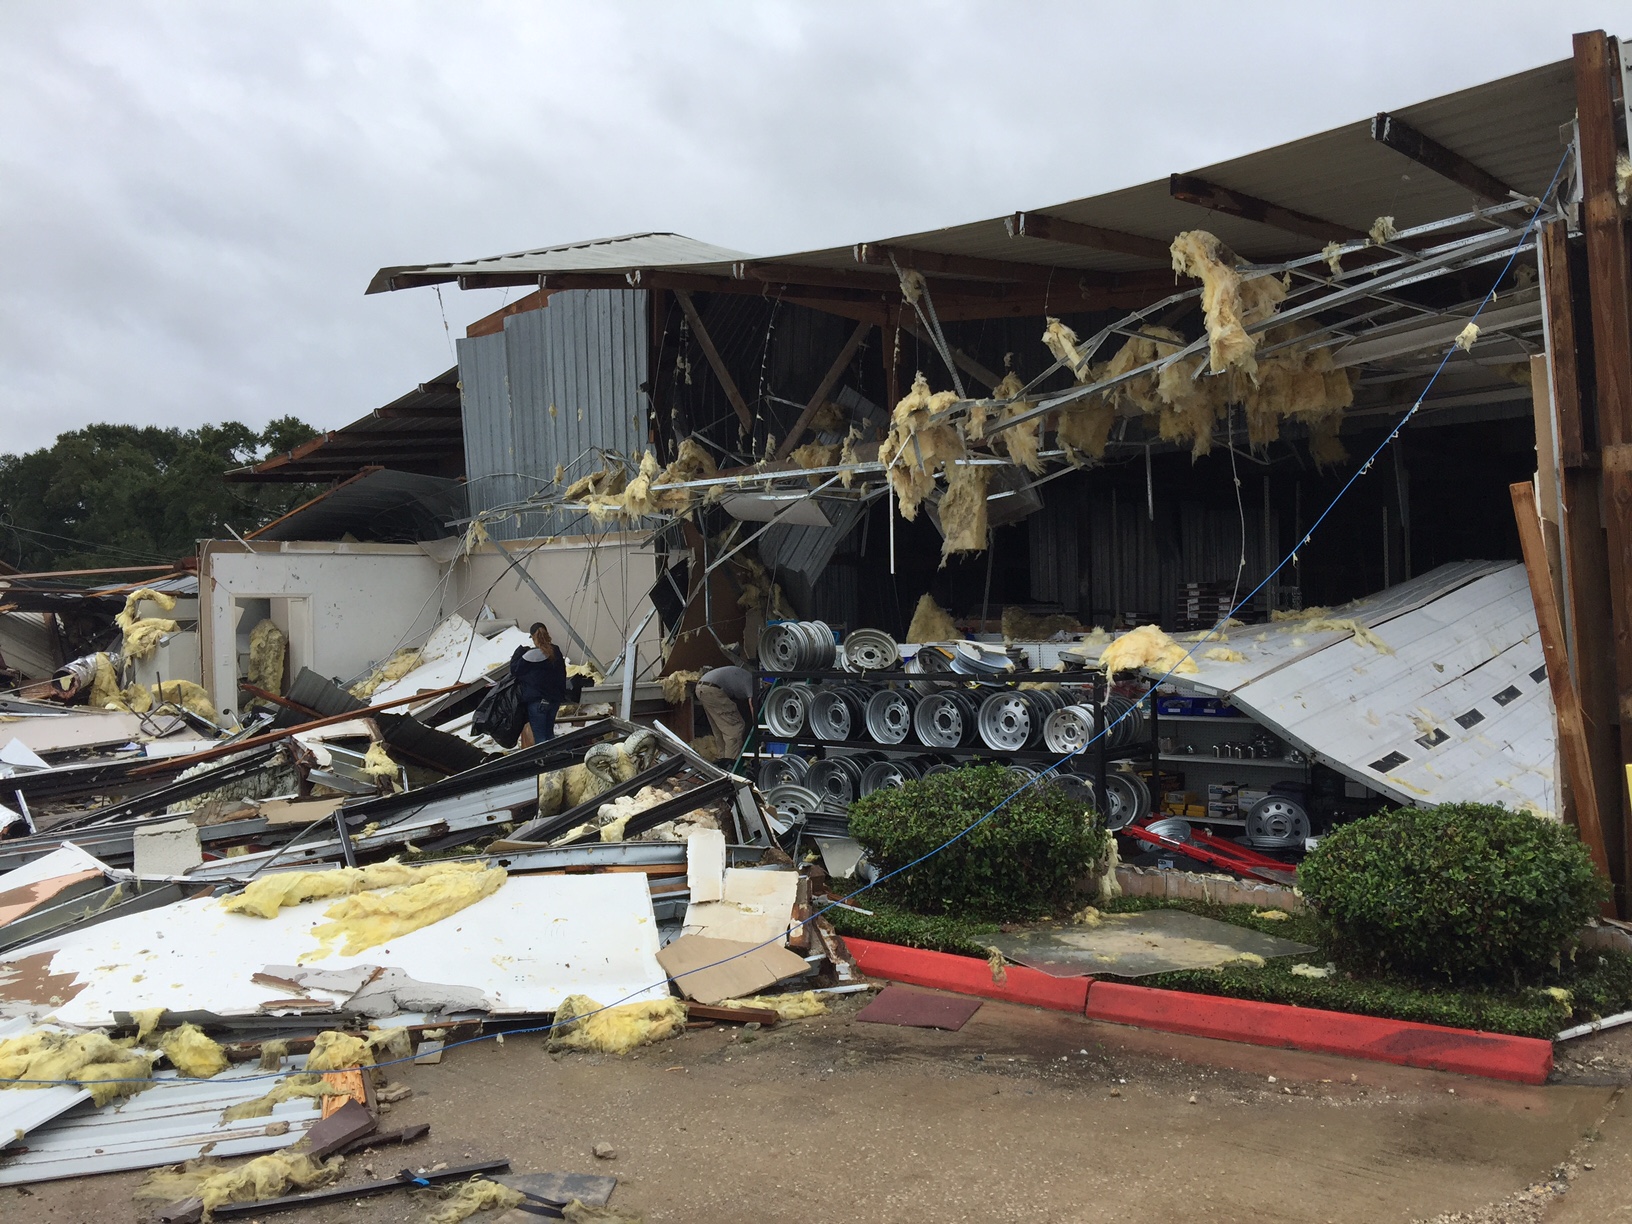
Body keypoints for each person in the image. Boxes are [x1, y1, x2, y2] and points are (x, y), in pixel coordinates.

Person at [510, 622, 567, 745]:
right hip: (554, 701)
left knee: (540, 739)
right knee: (549, 735)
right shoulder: (555, 651)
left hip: (537, 703)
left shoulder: (530, 656)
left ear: (533, 637)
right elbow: (562, 674)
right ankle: (556, 760)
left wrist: (520, 651)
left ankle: (546, 763)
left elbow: (514, 669)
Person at [695, 664, 755, 762]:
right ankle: (730, 765)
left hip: (701, 687)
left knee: (720, 730)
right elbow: (752, 704)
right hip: (713, 689)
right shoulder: (752, 682)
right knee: (735, 729)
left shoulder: (741, 676)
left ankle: (722, 763)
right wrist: (756, 725)